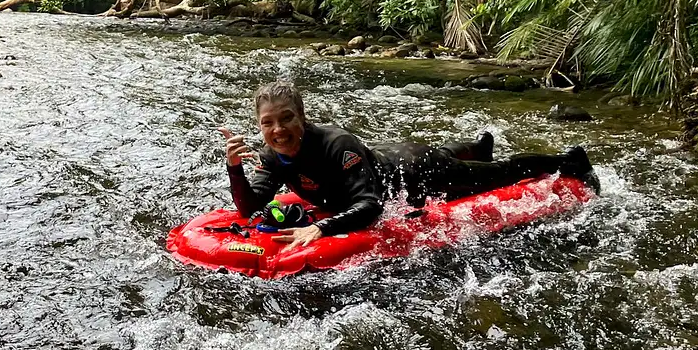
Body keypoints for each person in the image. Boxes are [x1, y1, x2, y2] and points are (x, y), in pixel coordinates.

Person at [221, 80, 599, 251]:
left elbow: (370, 206)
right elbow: (251, 208)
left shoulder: (338, 145)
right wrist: (235, 167)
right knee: (449, 151)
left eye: (286, 119)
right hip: (388, 154)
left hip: (417, 174)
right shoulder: (273, 155)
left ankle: (569, 160)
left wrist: (319, 229)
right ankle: (477, 145)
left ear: (302, 118)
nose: (278, 130)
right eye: (267, 123)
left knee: (496, 175)